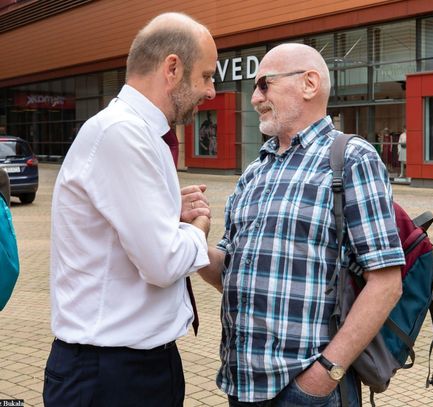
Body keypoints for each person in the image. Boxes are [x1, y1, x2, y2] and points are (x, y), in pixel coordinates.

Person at [198, 43, 405, 406]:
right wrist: (192, 241)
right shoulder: (255, 172)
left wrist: (326, 374)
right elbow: (228, 272)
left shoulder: (352, 159)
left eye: (264, 85)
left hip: (307, 390)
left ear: (309, 84)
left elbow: (386, 283)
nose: (254, 99)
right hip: (241, 384)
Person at [43, 12, 217, 406]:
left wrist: (168, 217)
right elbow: (161, 264)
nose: (210, 91)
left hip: (128, 367)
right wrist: (197, 228)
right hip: (110, 375)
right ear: (172, 67)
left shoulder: (138, 133)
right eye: (206, 76)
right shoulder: (122, 133)